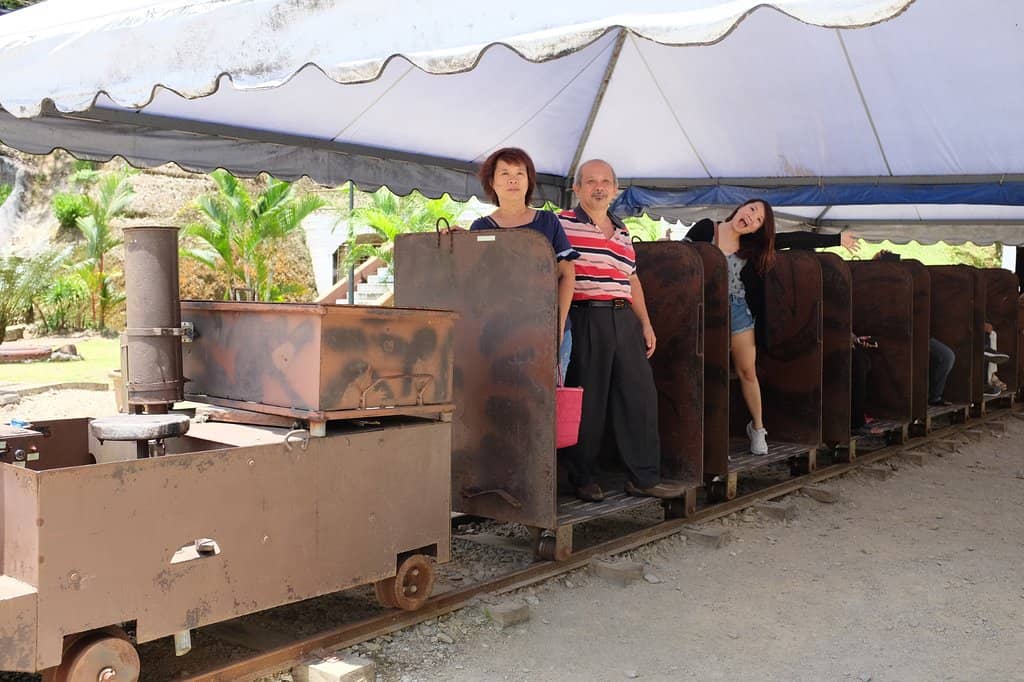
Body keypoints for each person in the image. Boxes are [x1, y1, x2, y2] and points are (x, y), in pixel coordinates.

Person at [686, 200, 860, 454]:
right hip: (703, 307)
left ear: (757, 229)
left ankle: (758, 428)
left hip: (737, 310)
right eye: (752, 210)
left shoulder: (752, 247)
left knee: (747, 371)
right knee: (705, 369)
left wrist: (837, 240)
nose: (752, 217)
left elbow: (794, 238)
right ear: (741, 208)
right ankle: (705, 435)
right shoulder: (706, 228)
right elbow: (682, 259)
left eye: (758, 220)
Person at [558, 159, 685, 502]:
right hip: (585, 317)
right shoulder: (561, 223)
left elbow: (632, 279)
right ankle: (582, 478)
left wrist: (645, 322)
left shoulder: (623, 230)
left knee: (639, 396)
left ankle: (643, 477)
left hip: (624, 318)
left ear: (615, 190)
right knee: (588, 401)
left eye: (605, 182)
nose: (598, 187)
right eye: (590, 181)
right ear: (577, 188)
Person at [470, 147, 579, 376]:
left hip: (546, 331)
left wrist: (558, 326)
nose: (513, 179)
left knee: (547, 395)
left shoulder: (548, 221)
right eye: (505, 173)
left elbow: (567, 274)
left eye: (520, 173)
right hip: (497, 335)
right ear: (492, 182)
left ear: (529, 181)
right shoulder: (480, 228)